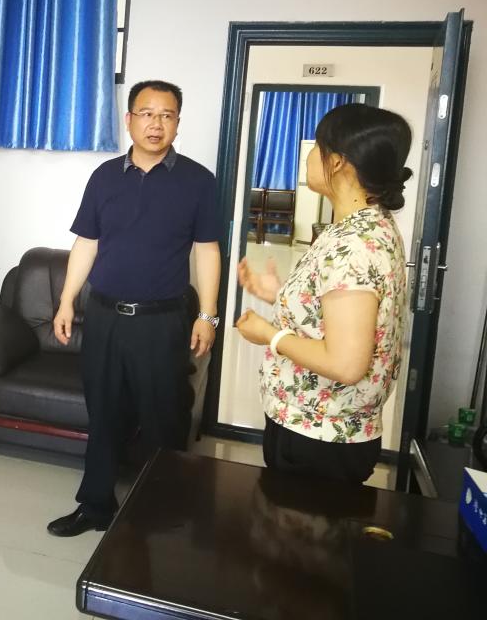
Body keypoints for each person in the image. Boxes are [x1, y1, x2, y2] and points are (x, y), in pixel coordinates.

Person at [47, 80, 222, 537]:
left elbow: (207, 251)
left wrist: (207, 315)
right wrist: (66, 301)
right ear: (129, 120)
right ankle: (95, 505)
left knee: (163, 419)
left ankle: (158, 511)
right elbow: (87, 242)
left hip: (162, 321)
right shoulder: (104, 176)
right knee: (103, 414)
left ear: (178, 124)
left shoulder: (198, 181)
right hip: (104, 316)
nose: (155, 124)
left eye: (166, 115)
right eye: (146, 113)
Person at [236, 103, 411, 484]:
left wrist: (270, 335)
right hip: (322, 430)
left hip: (319, 438)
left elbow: (346, 364)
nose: (309, 155)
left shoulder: (354, 246)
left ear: (338, 161)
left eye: (317, 146)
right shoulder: (366, 226)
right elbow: (343, 313)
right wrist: (281, 295)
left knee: (300, 523)